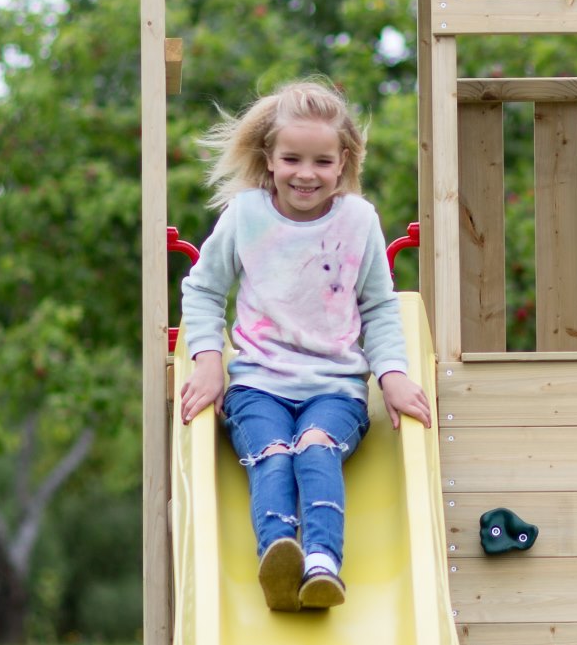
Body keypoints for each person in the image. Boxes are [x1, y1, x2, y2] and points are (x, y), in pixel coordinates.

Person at [178, 79, 432, 611]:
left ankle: (322, 565)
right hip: (257, 386)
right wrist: (207, 362)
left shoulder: (359, 221)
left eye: (321, 161)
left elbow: (379, 307)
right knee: (272, 455)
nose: (306, 174)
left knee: (316, 449)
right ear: (269, 159)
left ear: (342, 163)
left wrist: (393, 375)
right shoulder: (246, 217)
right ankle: (278, 557)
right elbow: (203, 288)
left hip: (335, 388)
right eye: (292, 158)